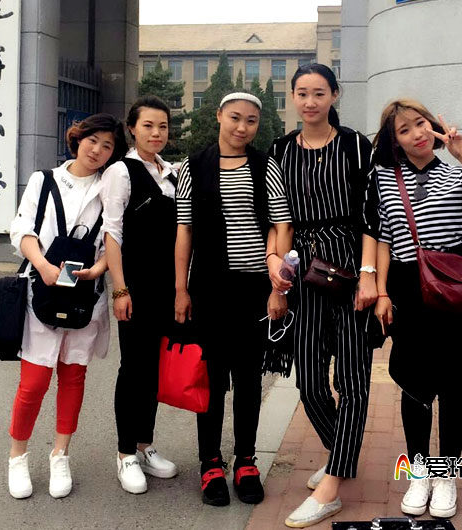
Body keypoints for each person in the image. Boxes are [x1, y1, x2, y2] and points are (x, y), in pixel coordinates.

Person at [371, 99, 462, 518]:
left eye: (421, 124)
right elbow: (383, 239)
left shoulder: (453, 172)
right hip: (408, 288)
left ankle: (446, 476)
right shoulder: (383, 178)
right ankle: (419, 472)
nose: (417, 134)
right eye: (405, 130)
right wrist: (381, 292)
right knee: (414, 384)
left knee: (452, 384)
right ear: (395, 141)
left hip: (453, 288)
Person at [268, 64, 381, 528]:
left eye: (319, 92)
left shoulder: (356, 145)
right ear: (293, 97)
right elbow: (278, 216)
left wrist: (370, 276)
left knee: (352, 380)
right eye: (302, 93)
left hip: (351, 265)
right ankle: (341, 454)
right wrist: (274, 263)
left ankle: (332, 485)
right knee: (310, 382)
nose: (310, 101)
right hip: (304, 270)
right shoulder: (280, 150)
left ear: (335, 94)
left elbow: (373, 215)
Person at [174, 92, 292, 507]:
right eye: (236, 118)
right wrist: (181, 289)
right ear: (219, 116)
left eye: (252, 120)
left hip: (254, 288)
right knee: (210, 379)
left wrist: (278, 288)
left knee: (247, 379)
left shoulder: (266, 166)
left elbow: (281, 225)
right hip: (209, 287)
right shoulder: (193, 166)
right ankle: (209, 462)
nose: (243, 127)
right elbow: (185, 230)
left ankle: (245, 460)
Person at [6, 113, 127, 499]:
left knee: (73, 377)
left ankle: (61, 454)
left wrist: (100, 269)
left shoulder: (109, 188)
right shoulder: (44, 180)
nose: (98, 150)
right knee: (34, 382)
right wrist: (42, 265)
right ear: (77, 139)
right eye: (93, 141)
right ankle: (18, 457)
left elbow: (114, 238)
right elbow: (21, 228)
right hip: (40, 290)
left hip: (84, 295)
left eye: (107, 146)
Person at [101, 95, 180, 494]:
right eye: (148, 125)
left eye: (162, 126)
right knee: (133, 368)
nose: (156, 133)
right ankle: (125, 453)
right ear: (132, 128)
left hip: (168, 287)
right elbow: (112, 233)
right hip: (135, 287)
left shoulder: (171, 173)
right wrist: (120, 289)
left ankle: (145, 445)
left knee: (154, 368)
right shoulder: (121, 171)